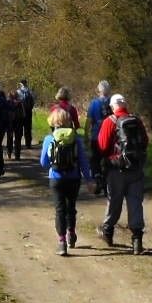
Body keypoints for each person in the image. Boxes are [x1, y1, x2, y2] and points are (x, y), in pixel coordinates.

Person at [96, 93, 148, 253]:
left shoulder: (109, 121)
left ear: (112, 106)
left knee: (114, 201)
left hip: (116, 168)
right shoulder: (137, 120)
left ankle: (108, 232)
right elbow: (145, 141)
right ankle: (137, 240)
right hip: (136, 168)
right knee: (135, 203)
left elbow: (103, 146)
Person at [39, 106, 94, 256]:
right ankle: (71, 233)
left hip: (56, 178)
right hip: (74, 178)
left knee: (59, 210)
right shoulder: (76, 139)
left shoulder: (49, 139)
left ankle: (62, 242)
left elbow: (43, 163)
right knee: (71, 207)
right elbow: (83, 161)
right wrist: (89, 179)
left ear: (53, 122)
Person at [85, 79, 113, 196]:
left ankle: (97, 179)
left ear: (98, 90)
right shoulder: (113, 103)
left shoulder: (94, 103)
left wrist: (86, 134)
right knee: (108, 159)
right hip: (110, 136)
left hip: (96, 136)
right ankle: (107, 183)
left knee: (94, 160)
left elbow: (89, 121)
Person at [4, 89, 25, 160]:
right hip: (18, 122)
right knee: (18, 139)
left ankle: (9, 153)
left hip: (10, 123)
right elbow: (23, 115)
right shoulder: (20, 103)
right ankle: (17, 155)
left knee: (9, 138)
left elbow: (5, 114)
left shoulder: (7, 103)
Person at [15, 78, 37, 147]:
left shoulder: (18, 92)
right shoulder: (30, 91)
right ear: (26, 83)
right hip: (28, 111)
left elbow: (15, 102)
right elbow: (33, 101)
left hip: (20, 112)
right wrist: (31, 107)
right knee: (28, 128)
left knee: (20, 127)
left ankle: (18, 143)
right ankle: (28, 144)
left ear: (20, 84)